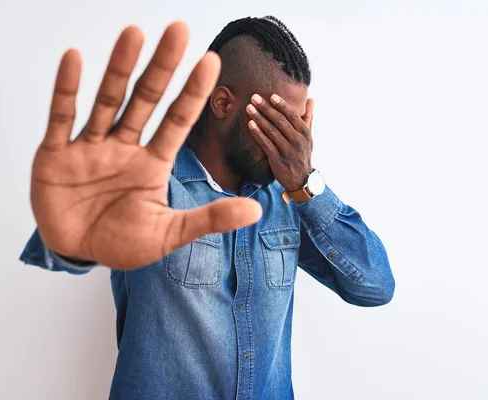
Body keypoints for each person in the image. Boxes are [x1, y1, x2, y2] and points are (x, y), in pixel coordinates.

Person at [20, 15, 395, 400]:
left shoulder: (290, 198)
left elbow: (375, 287)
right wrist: (71, 241)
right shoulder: (150, 187)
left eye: (298, 125)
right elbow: (85, 237)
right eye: (277, 123)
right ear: (222, 103)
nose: (292, 143)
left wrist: (307, 183)